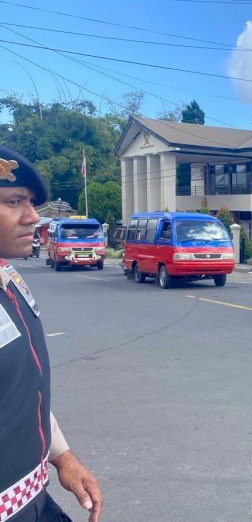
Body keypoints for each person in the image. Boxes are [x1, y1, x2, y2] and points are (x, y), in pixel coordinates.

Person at [0, 145, 102, 522]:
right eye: (14, 202)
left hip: (34, 498)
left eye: (31, 203)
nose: (34, 218)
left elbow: (24, 390)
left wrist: (62, 456)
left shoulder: (10, 279)